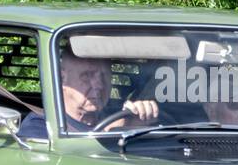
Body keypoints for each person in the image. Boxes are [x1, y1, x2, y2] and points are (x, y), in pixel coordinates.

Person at [17, 51, 158, 138]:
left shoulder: (117, 115)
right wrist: (111, 131)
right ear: (61, 79)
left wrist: (140, 122)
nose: (99, 85)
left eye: (104, 75)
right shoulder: (41, 126)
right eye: (87, 76)